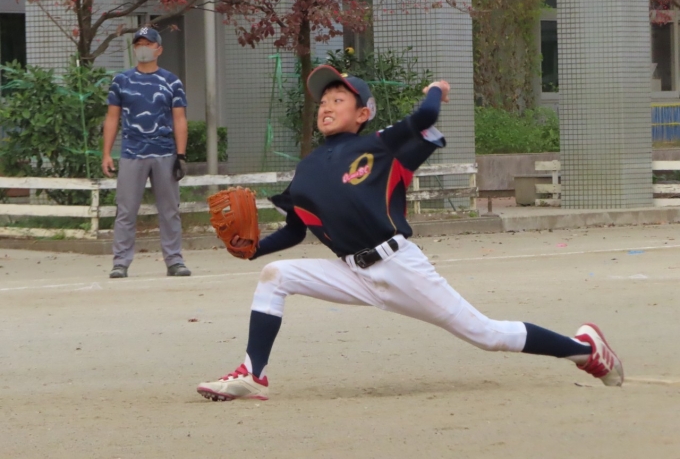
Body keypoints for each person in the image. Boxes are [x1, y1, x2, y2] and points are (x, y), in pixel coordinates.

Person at [196, 66, 623, 401]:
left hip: (399, 266)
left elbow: (425, 117)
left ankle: (585, 350)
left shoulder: (377, 146)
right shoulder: (306, 170)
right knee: (275, 275)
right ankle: (252, 374)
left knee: (487, 335)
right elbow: (296, 228)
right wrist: (253, 249)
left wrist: (435, 89)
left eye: (339, 99)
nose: (326, 105)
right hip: (352, 273)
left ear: (362, 113)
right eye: (323, 100)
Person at [101, 27, 191, 279]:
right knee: (126, 210)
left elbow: (179, 119)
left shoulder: (171, 81)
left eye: (148, 44)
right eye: (139, 44)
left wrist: (181, 155)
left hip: (165, 154)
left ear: (158, 49)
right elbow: (112, 118)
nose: (143, 48)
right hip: (132, 153)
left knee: (170, 210)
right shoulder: (121, 80)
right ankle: (120, 262)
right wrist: (106, 153)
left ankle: (174, 260)